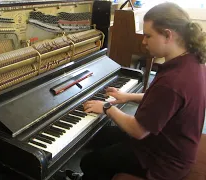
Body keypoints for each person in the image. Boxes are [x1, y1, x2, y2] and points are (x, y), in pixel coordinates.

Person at [80, 2, 206, 180]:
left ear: (168, 35)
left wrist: (107, 107)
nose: (143, 41)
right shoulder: (192, 61)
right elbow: (163, 101)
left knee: (90, 162)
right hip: (168, 143)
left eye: (148, 35)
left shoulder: (173, 81)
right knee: (101, 136)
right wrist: (126, 96)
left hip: (162, 159)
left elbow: (138, 130)